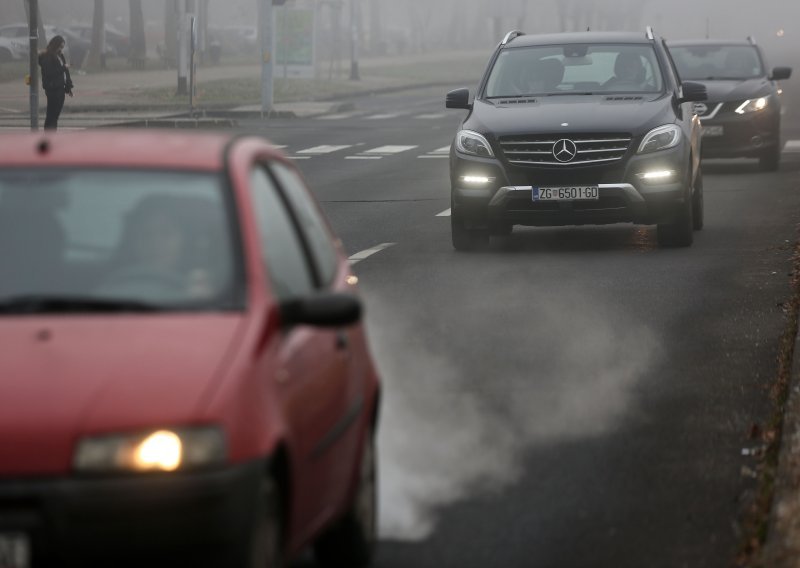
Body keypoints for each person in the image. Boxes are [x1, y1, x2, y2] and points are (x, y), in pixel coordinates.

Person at [38, 35, 74, 131]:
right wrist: (64, 67)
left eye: (62, 47)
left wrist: (68, 87)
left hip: (60, 88)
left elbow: (65, 73)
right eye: (60, 46)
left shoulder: (59, 55)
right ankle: (49, 133)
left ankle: (52, 133)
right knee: (52, 114)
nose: (61, 49)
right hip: (53, 88)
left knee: (55, 114)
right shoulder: (47, 56)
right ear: (55, 45)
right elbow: (50, 73)